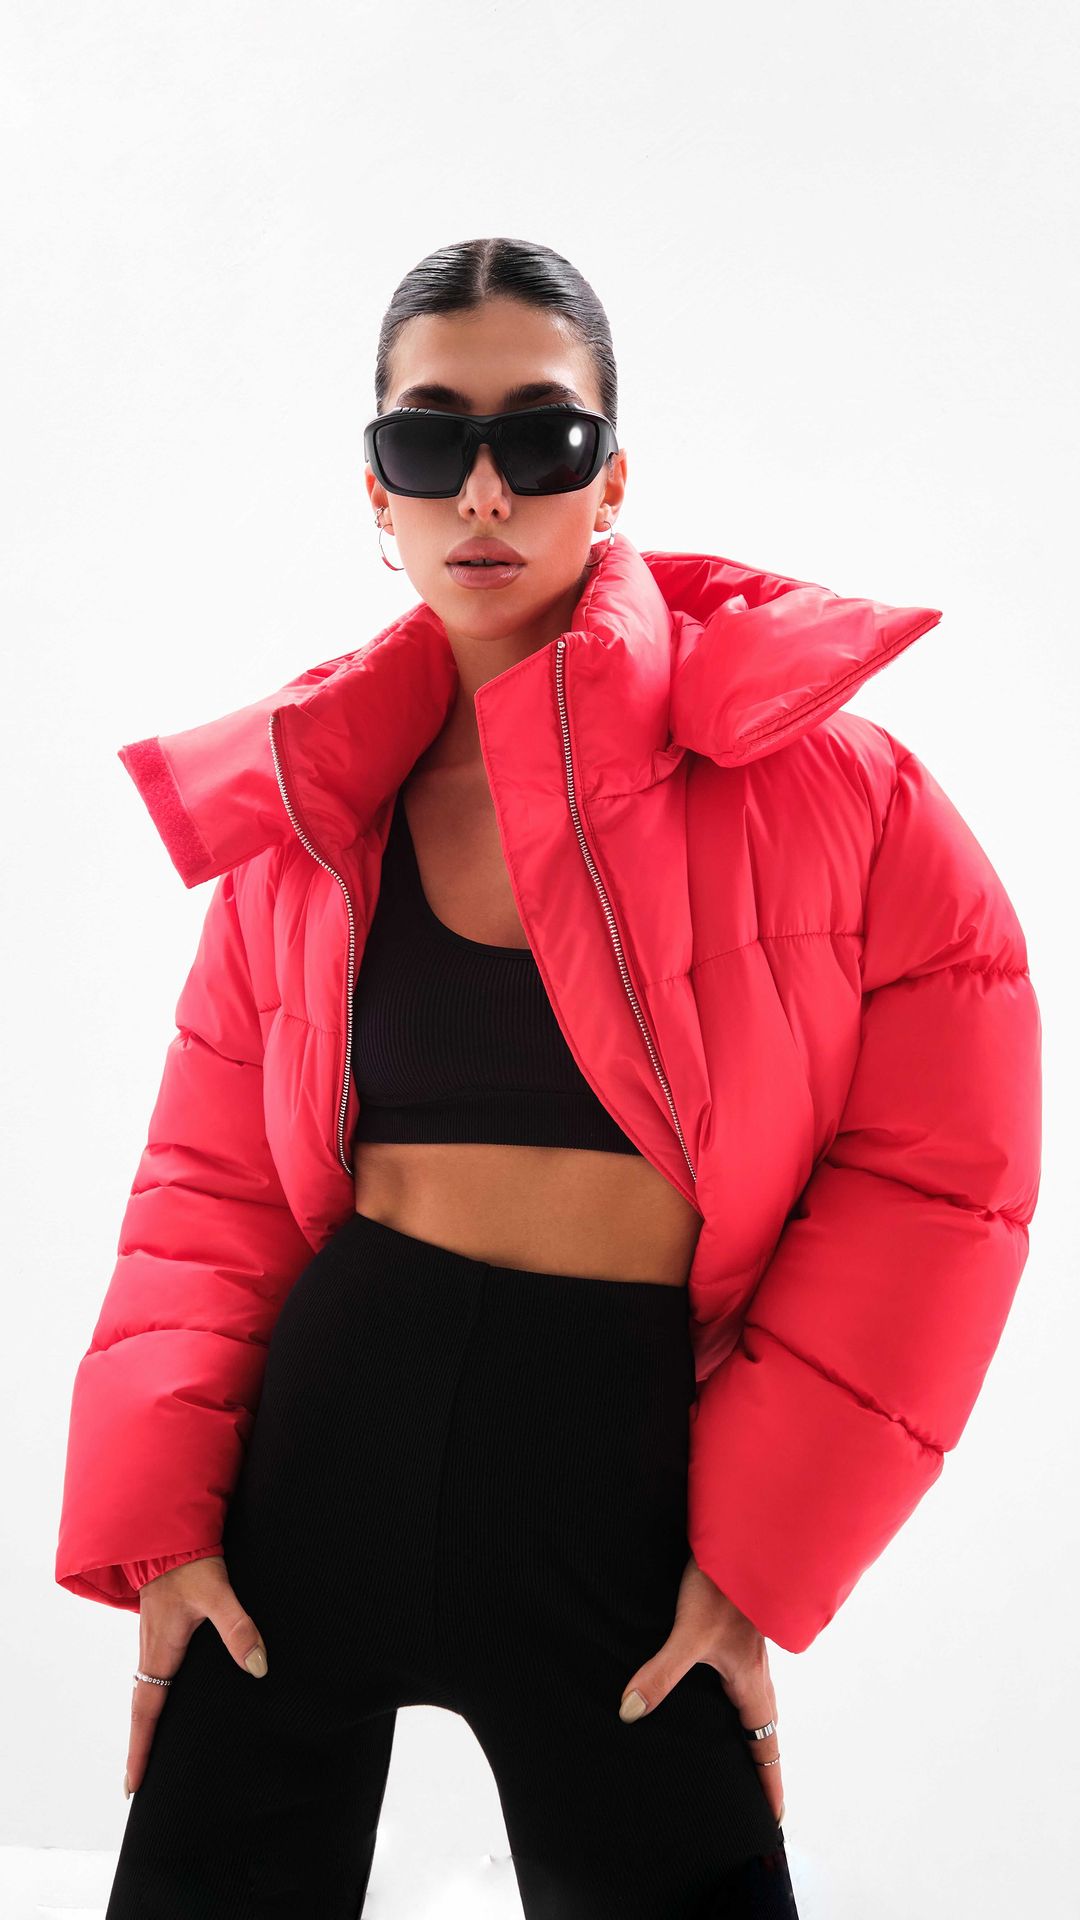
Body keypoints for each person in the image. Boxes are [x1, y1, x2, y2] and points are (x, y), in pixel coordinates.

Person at [55, 236, 1042, 1920]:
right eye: (431, 439)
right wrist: (169, 1527)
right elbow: (209, 1192)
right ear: (378, 489)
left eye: (543, 435)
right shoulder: (308, 817)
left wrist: (760, 1554)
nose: (486, 488)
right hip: (321, 1456)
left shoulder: (840, 791)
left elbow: (943, 1184)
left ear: (615, 477)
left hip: (615, 1485)